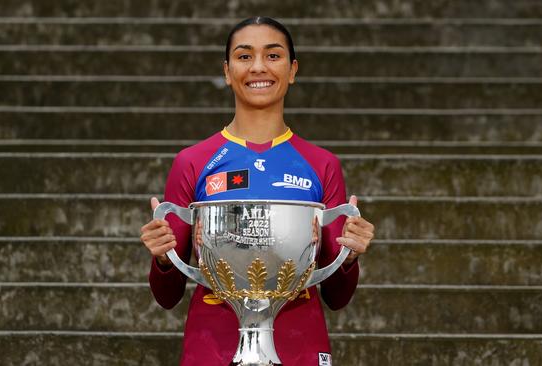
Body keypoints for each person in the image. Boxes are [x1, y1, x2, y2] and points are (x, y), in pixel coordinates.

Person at [140, 16, 375, 365]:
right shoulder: (193, 162)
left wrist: (350, 257)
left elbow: (337, 297)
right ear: (226, 70)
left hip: (300, 345)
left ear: (293, 70)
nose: (259, 67)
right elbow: (168, 295)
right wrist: (161, 258)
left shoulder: (321, 164)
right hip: (213, 346)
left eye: (273, 55)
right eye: (245, 56)